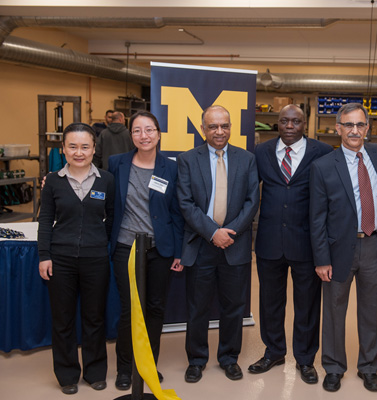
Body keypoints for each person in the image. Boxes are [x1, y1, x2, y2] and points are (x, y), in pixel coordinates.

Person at [249, 104, 332, 383]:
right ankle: (274, 351)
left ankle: (306, 359)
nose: (289, 126)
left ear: (304, 124)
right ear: (277, 123)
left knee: (307, 304)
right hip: (269, 241)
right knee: (270, 303)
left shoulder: (321, 152)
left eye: (295, 121)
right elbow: (250, 193)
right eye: (284, 121)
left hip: (306, 243)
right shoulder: (261, 152)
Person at [309, 102, 377, 393]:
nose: (354, 131)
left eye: (360, 125)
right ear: (338, 128)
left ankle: (369, 367)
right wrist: (321, 259)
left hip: (375, 244)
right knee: (333, 309)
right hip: (338, 248)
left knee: (372, 310)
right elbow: (316, 217)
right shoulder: (323, 166)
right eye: (348, 125)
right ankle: (333, 366)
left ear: (368, 128)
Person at [177, 105, 259, 383]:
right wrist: (213, 232)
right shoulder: (188, 160)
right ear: (203, 129)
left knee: (234, 307)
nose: (219, 131)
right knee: (197, 307)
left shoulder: (247, 159)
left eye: (224, 125)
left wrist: (230, 231)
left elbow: (252, 201)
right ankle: (197, 359)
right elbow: (185, 204)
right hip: (201, 244)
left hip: (235, 245)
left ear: (231, 127)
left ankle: (228, 357)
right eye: (213, 126)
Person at [108, 111, 185, 390]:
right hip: (126, 248)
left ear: (159, 134)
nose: (144, 135)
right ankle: (125, 369)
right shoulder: (116, 164)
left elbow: (177, 213)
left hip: (159, 249)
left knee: (155, 308)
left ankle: (148, 365)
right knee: (130, 310)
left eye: (149, 130)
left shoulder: (171, 168)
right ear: (131, 135)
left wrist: (178, 251)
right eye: (137, 130)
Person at [38, 122, 114, 395]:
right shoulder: (53, 181)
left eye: (85, 146)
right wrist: (44, 255)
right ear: (63, 149)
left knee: (95, 318)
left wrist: (97, 240)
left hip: (95, 259)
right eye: (73, 146)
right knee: (63, 319)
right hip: (61, 259)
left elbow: (112, 217)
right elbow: (45, 220)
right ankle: (67, 374)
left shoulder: (106, 180)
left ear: (94, 148)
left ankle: (95, 372)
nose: (79, 152)